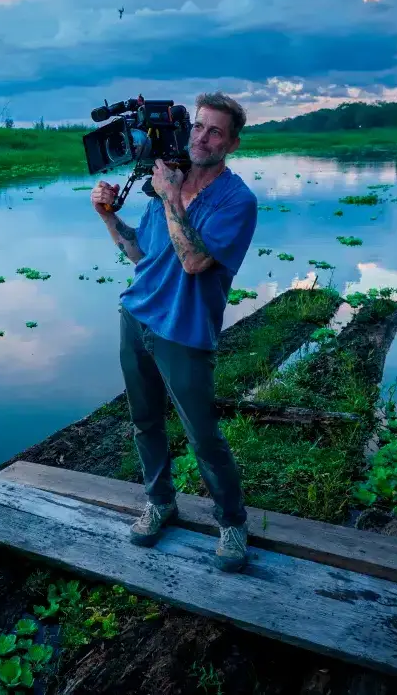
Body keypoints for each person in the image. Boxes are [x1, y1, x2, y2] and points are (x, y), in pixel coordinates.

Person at [90, 92, 257, 571]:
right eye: (198, 127)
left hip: (183, 331)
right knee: (144, 421)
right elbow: (142, 253)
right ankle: (160, 501)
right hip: (136, 318)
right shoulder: (167, 179)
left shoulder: (236, 200)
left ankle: (232, 522)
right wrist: (107, 216)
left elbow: (193, 260)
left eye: (215, 131)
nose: (202, 137)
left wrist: (170, 196)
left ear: (232, 143)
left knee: (202, 434)